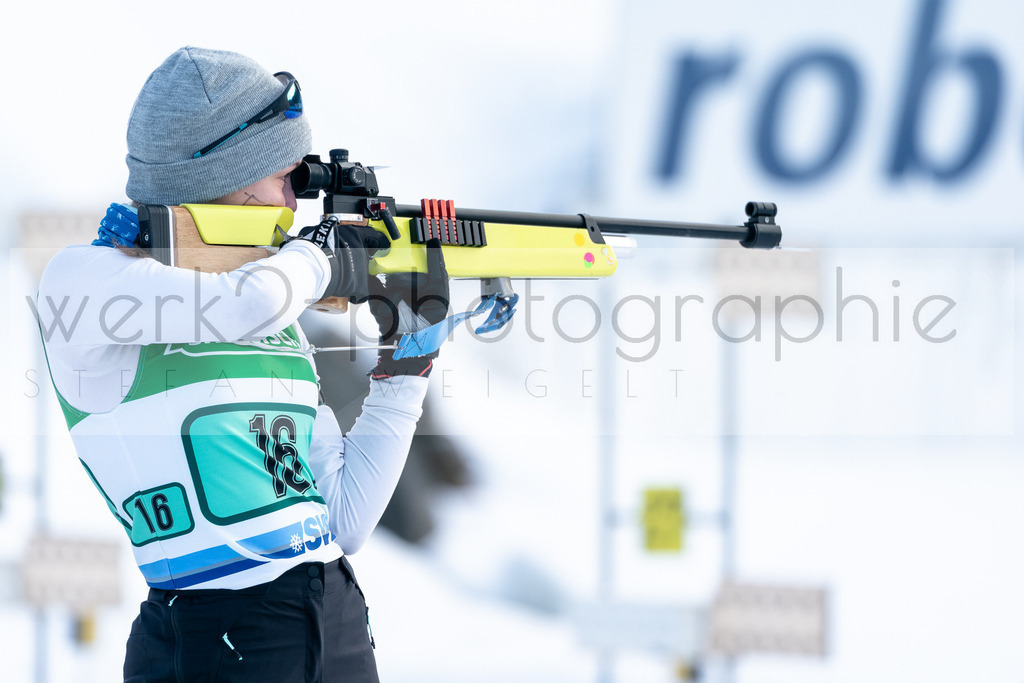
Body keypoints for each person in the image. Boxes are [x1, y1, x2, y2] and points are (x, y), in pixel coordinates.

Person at [36, 46, 448, 682]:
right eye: (287, 174)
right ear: (230, 168)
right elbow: (239, 304)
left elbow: (341, 520)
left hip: (332, 622)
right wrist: (322, 256)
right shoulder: (83, 280)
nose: (295, 195)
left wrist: (405, 370)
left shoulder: (271, 319)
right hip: (212, 636)